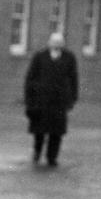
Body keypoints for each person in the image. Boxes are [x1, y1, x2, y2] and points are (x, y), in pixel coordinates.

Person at [24, 32, 79, 167]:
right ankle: (37, 152)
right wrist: (29, 98)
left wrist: (72, 98)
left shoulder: (69, 58)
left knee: (57, 132)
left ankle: (52, 157)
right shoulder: (40, 57)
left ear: (63, 43)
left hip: (59, 102)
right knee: (39, 131)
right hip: (41, 101)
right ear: (49, 42)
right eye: (54, 41)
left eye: (59, 42)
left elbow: (74, 79)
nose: (57, 44)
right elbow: (30, 78)